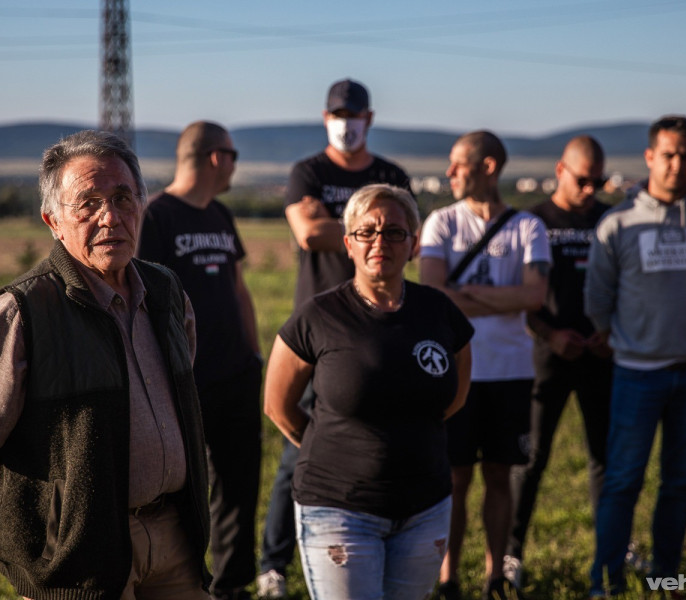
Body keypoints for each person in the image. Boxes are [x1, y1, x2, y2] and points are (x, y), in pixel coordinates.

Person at [0, 130, 211, 600]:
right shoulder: (20, 314)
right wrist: (25, 552)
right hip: (81, 565)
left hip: (175, 538)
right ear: (53, 221)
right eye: (88, 203)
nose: (111, 217)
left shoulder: (167, 294)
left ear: (141, 206)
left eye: (123, 198)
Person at [263, 183, 474, 600]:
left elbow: (455, 397)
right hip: (338, 509)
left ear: (413, 244)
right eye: (367, 231)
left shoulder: (441, 312)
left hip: (425, 508)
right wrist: (335, 449)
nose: (381, 241)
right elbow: (278, 405)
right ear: (348, 244)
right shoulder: (318, 316)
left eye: (395, 232)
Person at [257, 77, 412, 599]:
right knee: (294, 455)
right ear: (326, 119)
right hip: (321, 330)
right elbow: (307, 232)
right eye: (337, 115)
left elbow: (403, 234)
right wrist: (379, 225)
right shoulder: (310, 171)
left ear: (370, 119)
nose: (346, 123)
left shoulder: (392, 173)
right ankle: (273, 563)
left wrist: (342, 226)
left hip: (383, 326)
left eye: (355, 115)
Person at [584, 115, 686, 598]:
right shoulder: (618, 224)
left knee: (680, 483)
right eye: (669, 154)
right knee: (623, 481)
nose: (678, 164)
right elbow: (598, 302)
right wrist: (632, 340)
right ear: (650, 157)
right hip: (637, 374)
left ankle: (667, 576)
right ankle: (605, 581)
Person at [419, 130, 551, 600]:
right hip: (457, 372)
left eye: (459, 164)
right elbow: (433, 296)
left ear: (488, 167)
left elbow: (535, 296)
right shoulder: (440, 223)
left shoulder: (528, 228)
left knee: (500, 473)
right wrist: (502, 298)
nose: (450, 172)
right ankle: (448, 579)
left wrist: (467, 296)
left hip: (512, 371)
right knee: (455, 477)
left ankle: (496, 575)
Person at [136, 121, 262, 600]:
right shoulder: (157, 216)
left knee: (239, 484)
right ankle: (182, 582)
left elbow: (237, 288)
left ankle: (231, 585)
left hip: (236, 372)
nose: (235, 164)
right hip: (183, 378)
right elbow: (141, 297)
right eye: (233, 155)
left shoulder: (221, 215)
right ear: (216, 158)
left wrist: (254, 354)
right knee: (180, 488)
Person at [504, 136, 613, 590]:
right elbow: (517, 293)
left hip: (601, 355)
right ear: (559, 171)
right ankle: (512, 551)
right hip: (546, 357)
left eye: (598, 180)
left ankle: (612, 552)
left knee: (605, 459)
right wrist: (552, 334)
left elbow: (628, 284)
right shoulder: (533, 221)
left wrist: (612, 333)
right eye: (582, 179)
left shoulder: (611, 219)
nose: (591, 189)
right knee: (530, 458)